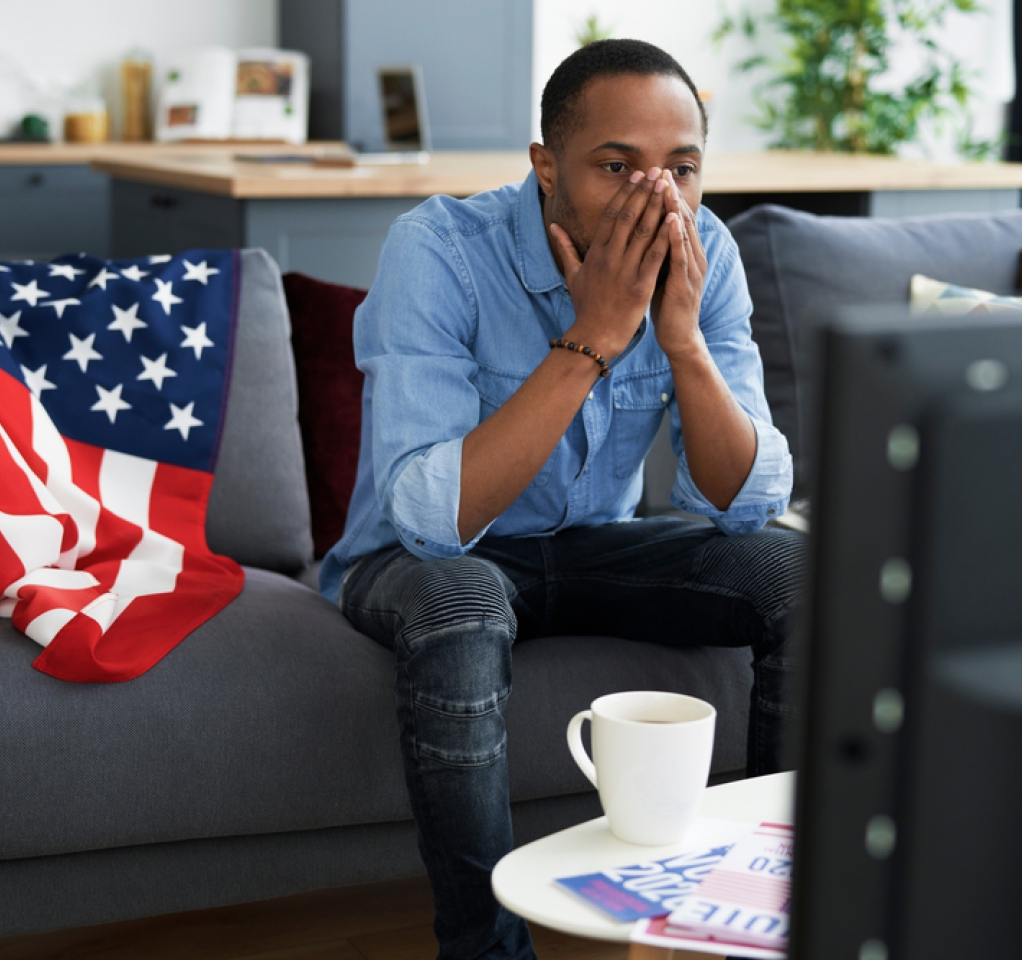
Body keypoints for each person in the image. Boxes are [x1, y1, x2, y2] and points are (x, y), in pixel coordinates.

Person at [319, 39, 807, 960]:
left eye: (682, 169)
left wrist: (684, 343)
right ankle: (486, 950)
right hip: (425, 562)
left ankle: (755, 918)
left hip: (593, 544)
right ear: (545, 167)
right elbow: (431, 523)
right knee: (462, 596)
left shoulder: (707, 255)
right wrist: (592, 336)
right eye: (617, 166)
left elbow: (747, 502)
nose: (655, 197)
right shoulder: (438, 250)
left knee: (804, 572)